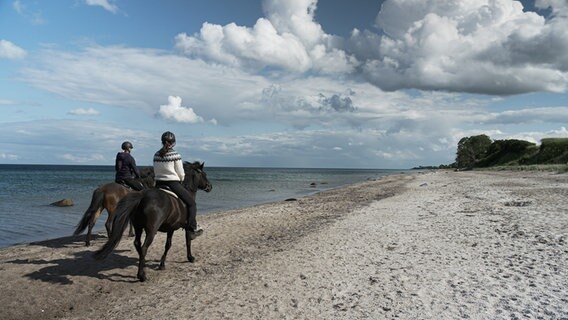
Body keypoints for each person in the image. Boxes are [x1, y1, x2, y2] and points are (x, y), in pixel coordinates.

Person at [153, 131, 203, 239]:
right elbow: (180, 172)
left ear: (162, 142)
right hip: (172, 183)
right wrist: (181, 179)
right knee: (191, 204)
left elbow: (156, 170)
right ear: (174, 143)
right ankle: (192, 229)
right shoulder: (175, 155)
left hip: (158, 184)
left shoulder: (156, 154)